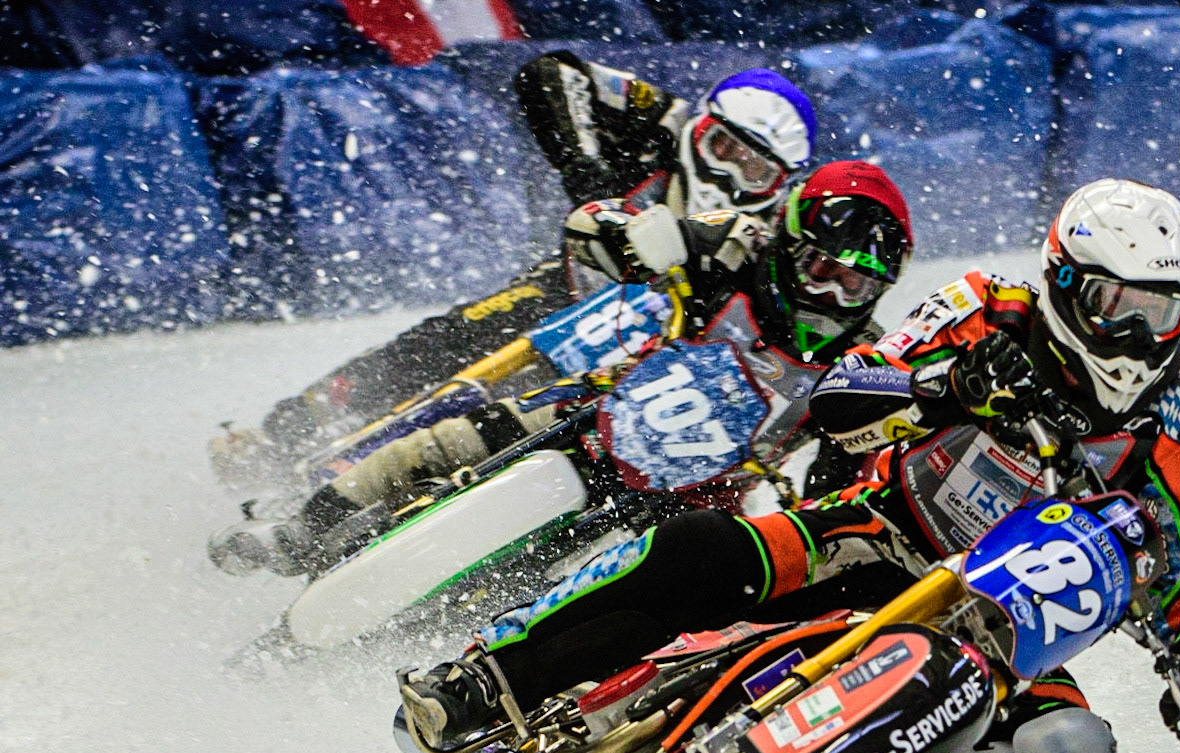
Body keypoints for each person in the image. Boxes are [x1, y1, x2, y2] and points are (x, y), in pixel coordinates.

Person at [396, 178, 1180, 753]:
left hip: (999, 629)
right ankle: (482, 680)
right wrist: (947, 386)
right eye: (1118, 309)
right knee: (695, 548)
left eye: (1163, 312)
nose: (1140, 338)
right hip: (869, 537)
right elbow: (844, 389)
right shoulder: (988, 309)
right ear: (1065, 283)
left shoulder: (1178, 434)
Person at [209, 160, 914, 578]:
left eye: (853, 284)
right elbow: (596, 225)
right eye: (822, 267)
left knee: (604, 581)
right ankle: (299, 530)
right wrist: (627, 239)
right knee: (448, 441)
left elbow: (854, 464)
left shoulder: (859, 363)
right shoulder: (734, 245)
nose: (829, 293)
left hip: (699, 493)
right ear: (790, 240)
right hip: (606, 406)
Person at [213, 56, 817, 478]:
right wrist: (586, 172)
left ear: (781, 184)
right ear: (700, 131)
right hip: (578, 282)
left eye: (756, 170)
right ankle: (287, 430)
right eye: (724, 150)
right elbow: (551, 73)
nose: (731, 175)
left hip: (670, 340)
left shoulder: (783, 231)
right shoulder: (666, 121)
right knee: (448, 338)